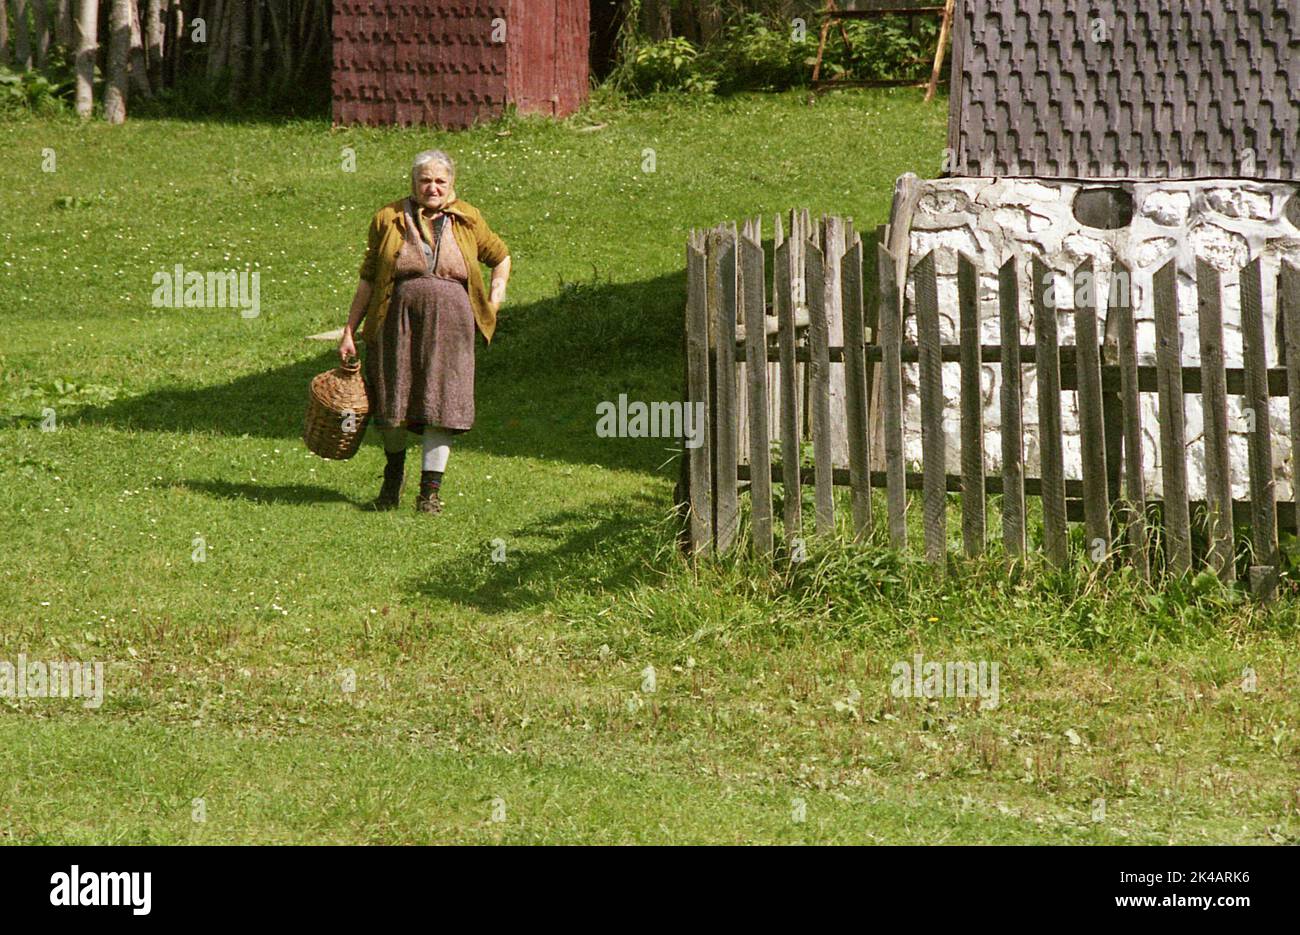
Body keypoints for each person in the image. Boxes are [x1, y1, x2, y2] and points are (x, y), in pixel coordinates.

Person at [339, 150, 512, 513]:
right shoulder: (388, 217)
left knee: (442, 402)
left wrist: (494, 302)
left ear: (451, 184)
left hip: (452, 324)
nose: (432, 187)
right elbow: (368, 279)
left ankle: (429, 494)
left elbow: (501, 257)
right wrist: (349, 330)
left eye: (440, 181)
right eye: (425, 180)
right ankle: (392, 483)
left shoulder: (468, 218)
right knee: (393, 398)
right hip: (395, 320)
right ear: (413, 182)